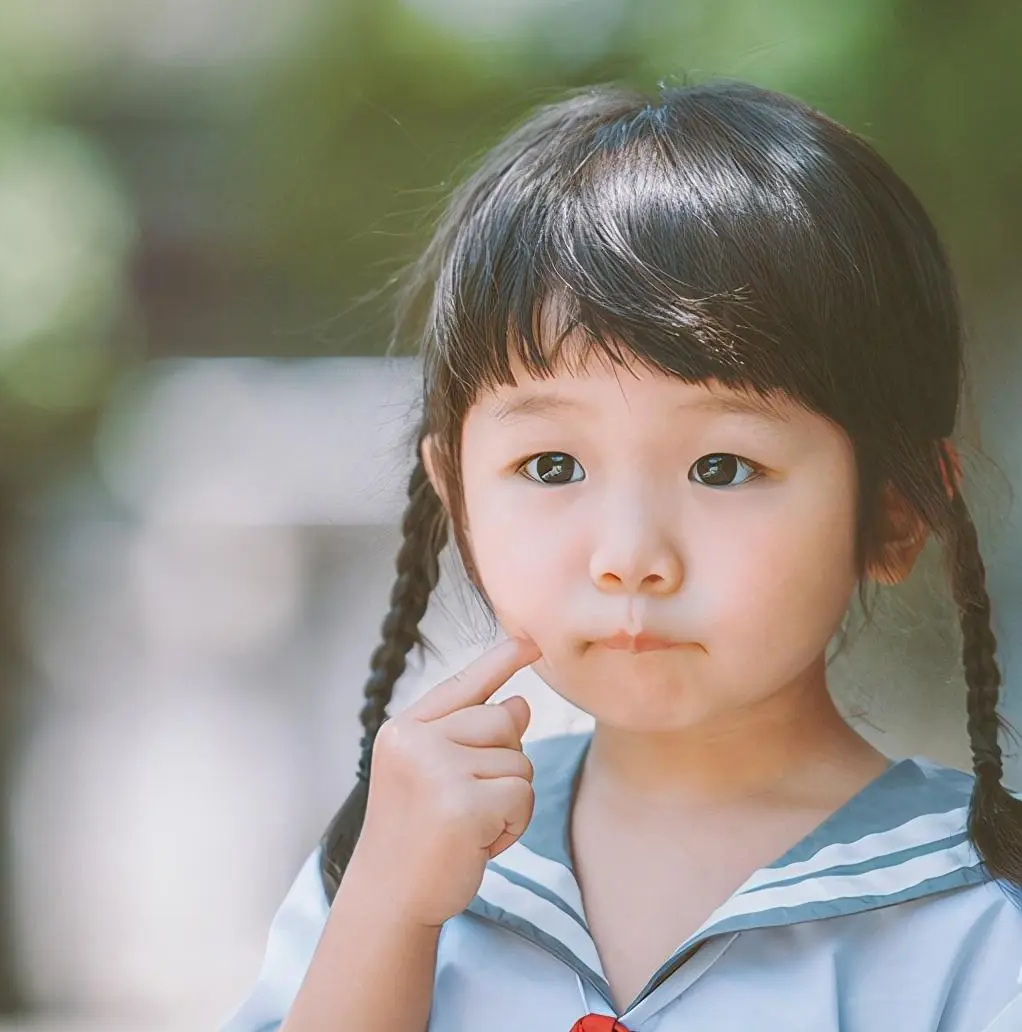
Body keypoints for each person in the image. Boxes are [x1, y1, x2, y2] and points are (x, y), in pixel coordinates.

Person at [221, 78, 1022, 1031]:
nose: (631, 557)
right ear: (457, 496)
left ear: (894, 510)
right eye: (552, 464)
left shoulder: (978, 911)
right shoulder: (397, 857)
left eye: (723, 466)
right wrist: (387, 913)